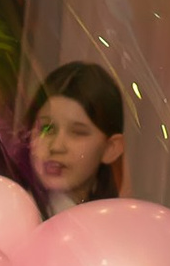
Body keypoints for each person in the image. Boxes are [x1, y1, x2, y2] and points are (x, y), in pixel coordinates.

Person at [24, 62, 126, 211]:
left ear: (111, 148)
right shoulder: (13, 210)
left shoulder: (117, 219)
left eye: (78, 132)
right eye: (47, 128)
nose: (56, 146)